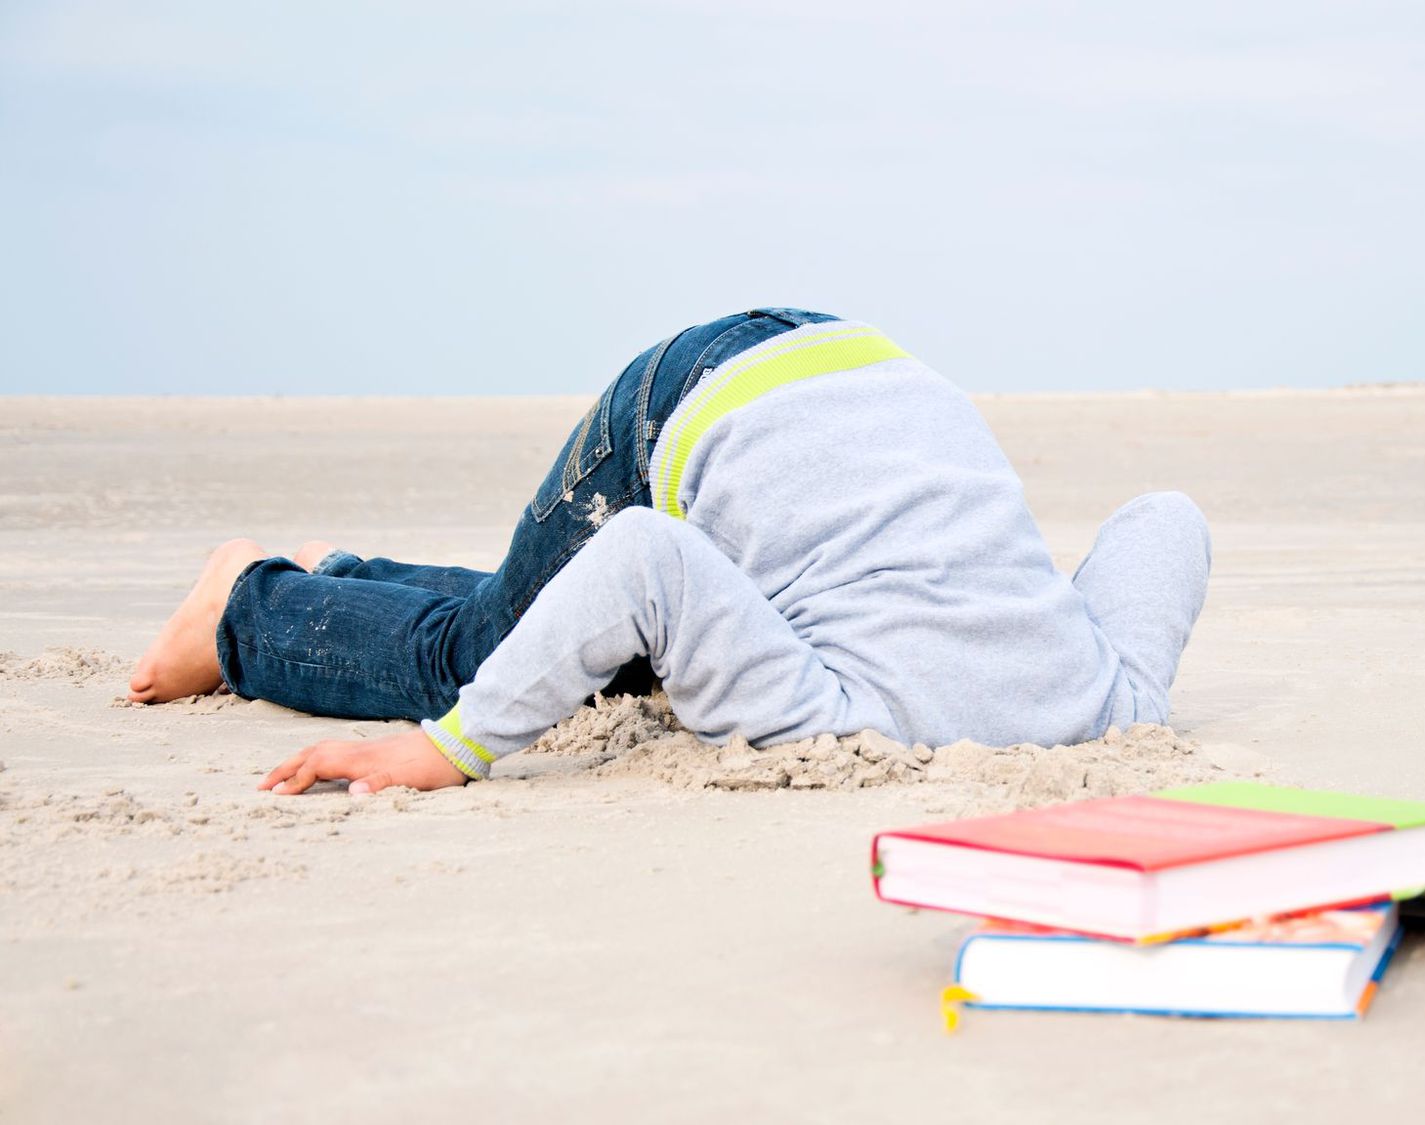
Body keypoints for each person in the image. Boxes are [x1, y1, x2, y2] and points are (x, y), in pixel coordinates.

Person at [129, 308, 1211, 795]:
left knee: (610, 640)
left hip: (862, 364)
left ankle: (342, 578)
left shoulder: (1114, 695)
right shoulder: (845, 721)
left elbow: (1166, 517)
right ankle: (247, 605)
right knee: (480, 663)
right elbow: (641, 558)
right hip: (683, 408)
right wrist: (452, 748)